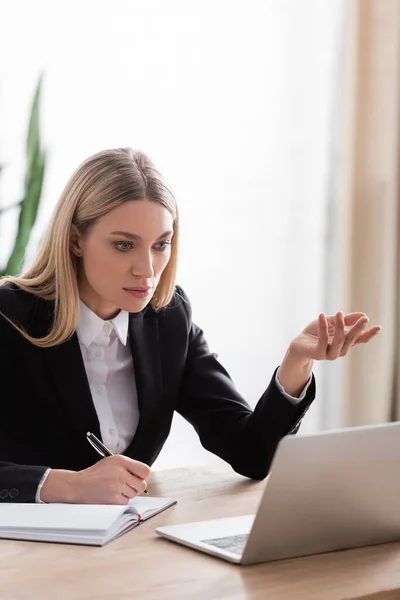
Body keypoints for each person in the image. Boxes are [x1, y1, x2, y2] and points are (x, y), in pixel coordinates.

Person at [0, 148, 381, 505]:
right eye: (123, 245)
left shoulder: (168, 319)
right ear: (75, 240)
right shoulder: (8, 317)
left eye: (160, 245)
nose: (147, 270)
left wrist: (296, 364)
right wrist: (68, 485)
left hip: (125, 549)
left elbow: (251, 453)